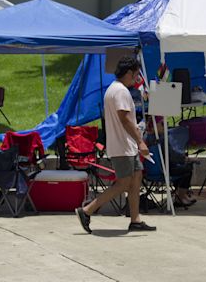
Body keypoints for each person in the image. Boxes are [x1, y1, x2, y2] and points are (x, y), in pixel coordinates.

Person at [76, 56, 156, 233]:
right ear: (128, 73)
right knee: (124, 183)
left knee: (136, 179)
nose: (137, 78)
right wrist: (140, 142)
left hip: (125, 145)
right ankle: (87, 210)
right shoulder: (120, 91)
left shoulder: (114, 89)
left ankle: (135, 220)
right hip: (123, 146)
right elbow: (125, 119)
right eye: (135, 74)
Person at [145, 116, 197, 207]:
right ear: (155, 126)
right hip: (164, 170)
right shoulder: (162, 139)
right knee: (188, 168)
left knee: (180, 168)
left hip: (149, 171)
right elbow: (172, 156)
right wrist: (185, 159)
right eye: (163, 123)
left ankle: (180, 196)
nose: (165, 126)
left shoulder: (145, 138)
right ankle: (181, 196)